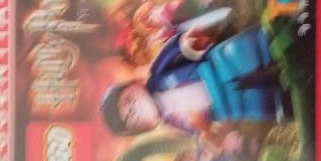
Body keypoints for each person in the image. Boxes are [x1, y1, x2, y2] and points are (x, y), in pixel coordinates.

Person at [101, 22, 283, 136]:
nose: (136, 109)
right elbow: (196, 129)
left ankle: (272, 38)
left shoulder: (158, 76)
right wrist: (206, 130)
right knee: (259, 104)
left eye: (130, 100)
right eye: (132, 117)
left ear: (134, 85)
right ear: (140, 129)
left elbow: (169, 52)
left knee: (244, 51)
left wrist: (185, 45)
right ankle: (282, 100)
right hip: (226, 105)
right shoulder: (172, 121)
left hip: (217, 67)